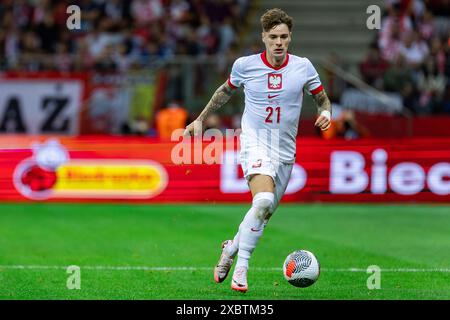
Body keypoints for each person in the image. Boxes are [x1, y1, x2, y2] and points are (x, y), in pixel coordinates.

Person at [183, 8, 331, 293]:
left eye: (284, 37)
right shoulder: (245, 65)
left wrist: (327, 113)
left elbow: (323, 100)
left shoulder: (303, 67)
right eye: (273, 36)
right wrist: (200, 119)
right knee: (262, 200)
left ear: (290, 38)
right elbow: (225, 91)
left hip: (286, 151)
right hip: (255, 141)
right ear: (263, 37)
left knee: (262, 213)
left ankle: (230, 249)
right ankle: (241, 267)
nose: (279, 42)